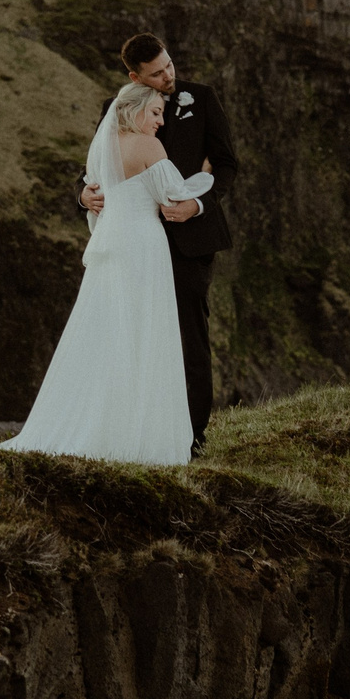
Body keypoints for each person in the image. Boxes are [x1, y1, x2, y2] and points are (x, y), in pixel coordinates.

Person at [0, 77, 216, 464]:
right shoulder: (149, 145)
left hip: (112, 246)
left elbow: (93, 194)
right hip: (144, 248)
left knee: (105, 333)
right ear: (134, 111)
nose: (159, 122)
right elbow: (175, 195)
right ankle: (139, 432)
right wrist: (206, 173)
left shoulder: (102, 150)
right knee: (144, 334)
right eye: (154, 113)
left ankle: (94, 422)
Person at [75, 34, 237, 450]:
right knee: (133, 333)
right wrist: (83, 195)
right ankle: (136, 425)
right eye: (157, 73)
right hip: (133, 242)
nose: (168, 75)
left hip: (189, 239)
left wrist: (198, 204)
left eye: (169, 65)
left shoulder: (201, 98)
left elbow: (227, 164)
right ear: (134, 76)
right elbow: (97, 164)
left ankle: (192, 434)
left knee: (188, 335)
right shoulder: (114, 109)